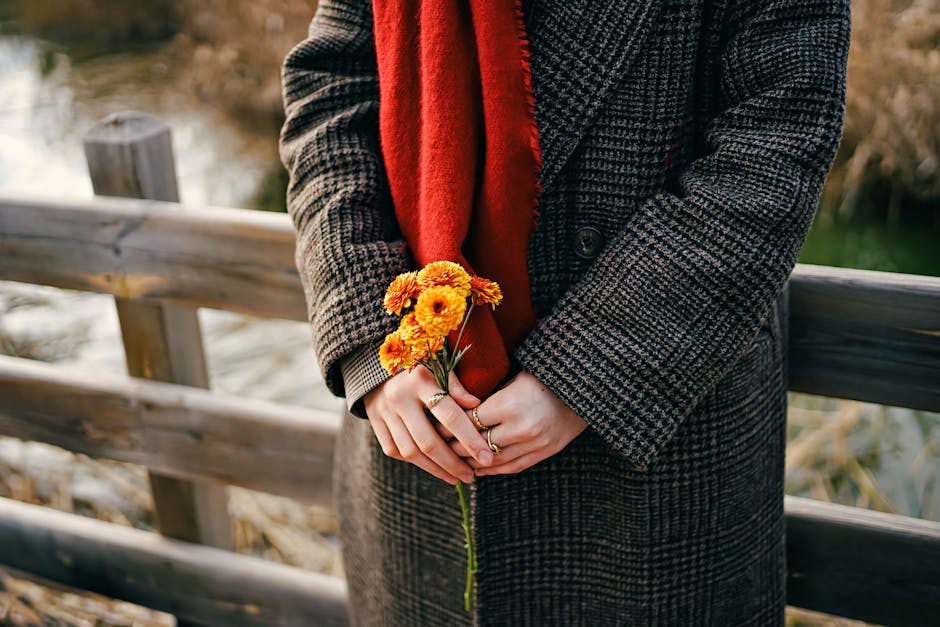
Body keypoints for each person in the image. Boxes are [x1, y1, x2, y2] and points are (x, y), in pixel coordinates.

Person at [279, 0, 850, 624]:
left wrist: (587, 372)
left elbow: (774, 144)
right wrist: (379, 342)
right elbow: (330, 94)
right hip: (418, 441)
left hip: (655, 448)